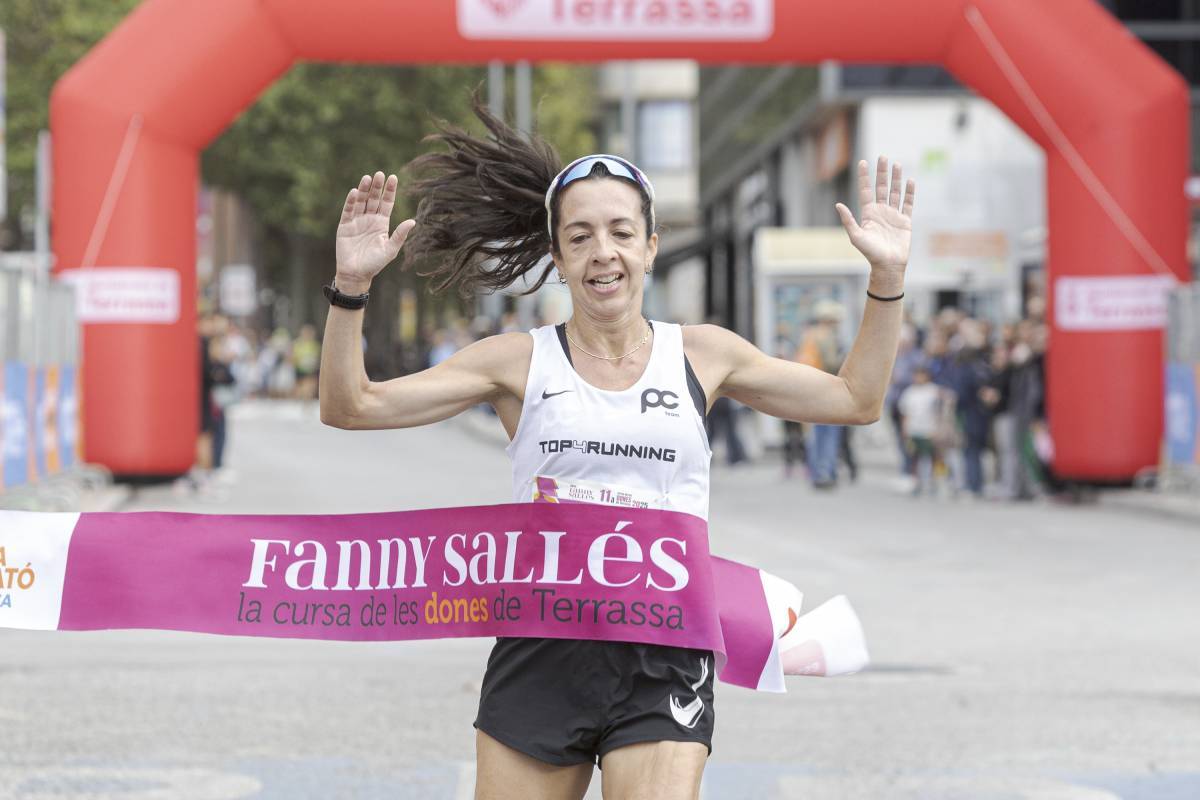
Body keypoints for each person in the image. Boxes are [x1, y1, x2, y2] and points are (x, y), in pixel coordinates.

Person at [318, 98, 915, 800]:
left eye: (621, 233)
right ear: (559, 257)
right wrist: (351, 289)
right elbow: (350, 406)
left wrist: (887, 281)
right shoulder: (515, 362)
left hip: (663, 656)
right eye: (580, 237)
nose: (604, 252)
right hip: (541, 654)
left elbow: (856, 400)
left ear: (651, 246)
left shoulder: (704, 354)